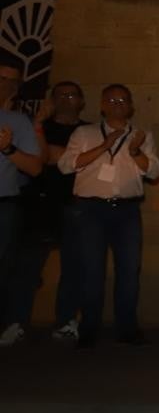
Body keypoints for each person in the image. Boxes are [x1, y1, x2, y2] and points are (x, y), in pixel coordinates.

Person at [58, 84, 159, 348]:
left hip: (127, 211)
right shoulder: (85, 132)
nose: (118, 105)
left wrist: (135, 151)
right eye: (112, 101)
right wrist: (105, 145)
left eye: (123, 100)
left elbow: (154, 172)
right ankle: (88, 329)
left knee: (129, 270)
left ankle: (127, 329)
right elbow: (66, 165)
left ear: (131, 106)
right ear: (102, 105)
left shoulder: (141, 135)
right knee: (91, 269)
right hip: (90, 210)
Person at [0, 81, 88, 344]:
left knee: (73, 266)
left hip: (75, 203)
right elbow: (44, 157)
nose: (66, 99)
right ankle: (16, 322)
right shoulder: (36, 126)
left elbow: (73, 159)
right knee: (26, 267)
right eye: (60, 95)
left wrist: (64, 155)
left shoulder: (89, 130)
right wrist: (42, 130)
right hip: (38, 203)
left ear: (81, 101)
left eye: (72, 95)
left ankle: (65, 321)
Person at [0, 57, 42, 347]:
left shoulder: (17, 122)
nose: (6, 85)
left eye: (12, 81)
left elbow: (35, 168)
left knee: (5, 268)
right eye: (1, 78)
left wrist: (7, 148)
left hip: (4, 204)